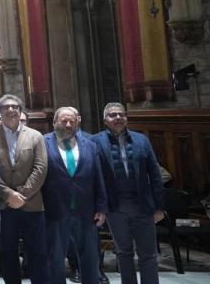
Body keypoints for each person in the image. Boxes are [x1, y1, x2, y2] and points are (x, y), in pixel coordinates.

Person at [91, 102, 165, 284]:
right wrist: (100, 206)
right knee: (123, 252)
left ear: (126, 118)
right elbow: (93, 177)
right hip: (115, 207)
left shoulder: (142, 140)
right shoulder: (94, 142)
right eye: (112, 115)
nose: (118, 118)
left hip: (143, 206)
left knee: (148, 253)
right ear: (105, 120)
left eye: (121, 114)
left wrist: (159, 207)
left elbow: (155, 175)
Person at [0, 94, 48, 284]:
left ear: (20, 111)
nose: (11, 110)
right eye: (6, 107)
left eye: (15, 107)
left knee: (37, 252)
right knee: (8, 252)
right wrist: (9, 194)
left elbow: (41, 167)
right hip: (3, 205)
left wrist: (23, 194)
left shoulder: (35, 136)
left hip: (32, 204)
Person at [42, 107, 107, 284]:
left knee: (90, 257)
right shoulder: (42, 143)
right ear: (55, 122)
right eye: (64, 121)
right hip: (54, 210)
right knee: (55, 259)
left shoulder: (90, 145)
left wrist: (101, 207)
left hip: (85, 210)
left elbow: (97, 177)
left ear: (77, 122)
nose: (68, 124)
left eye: (72, 121)